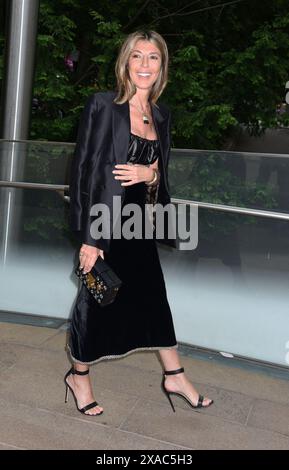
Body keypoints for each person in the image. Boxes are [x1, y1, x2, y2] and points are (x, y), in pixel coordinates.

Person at [65, 30, 214, 416]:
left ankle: (175, 375)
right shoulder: (102, 105)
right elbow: (83, 172)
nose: (145, 65)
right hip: (105, 223)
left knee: (153, 296)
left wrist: (149, 176)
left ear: (162, 67)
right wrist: (89, 238)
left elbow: (160, 174)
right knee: (96, 300)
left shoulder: (162, 115)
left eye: (153, 58)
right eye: (137, 56)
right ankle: (78, 376)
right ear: (125, 62)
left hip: (140, 223)